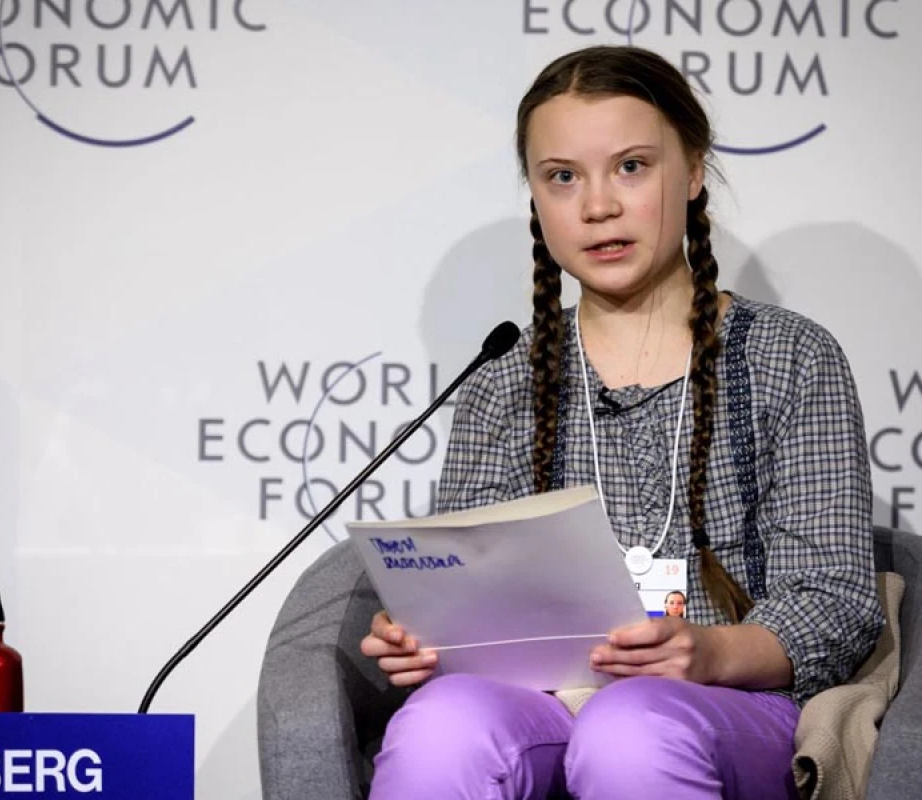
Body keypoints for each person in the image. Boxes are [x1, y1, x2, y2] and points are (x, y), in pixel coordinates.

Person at [359, 44, 884, 799]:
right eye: (562, 177)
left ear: (694, 170)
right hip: (543, 704)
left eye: (631, 167)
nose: (597, 206)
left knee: (630, 727)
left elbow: (834, 603)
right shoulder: (503, 380)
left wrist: (710, 653)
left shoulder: (790, 357)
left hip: (735, 705)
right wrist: (430, 635)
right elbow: (475, 600)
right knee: (439, 724)